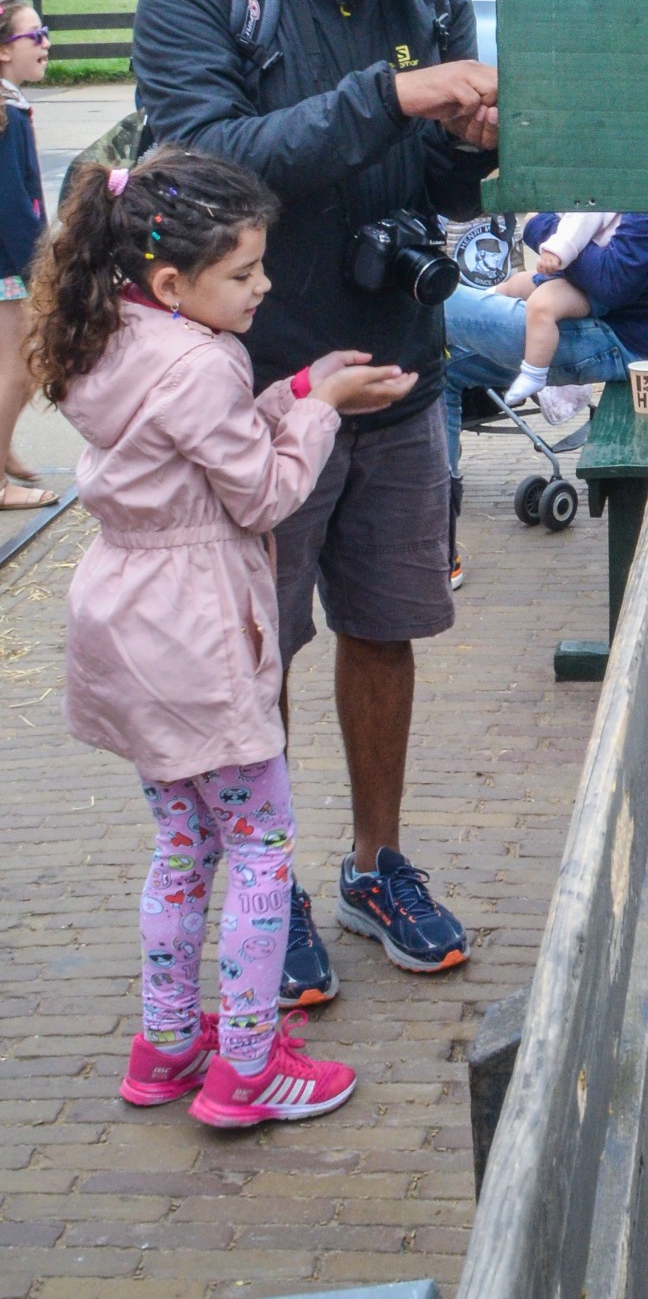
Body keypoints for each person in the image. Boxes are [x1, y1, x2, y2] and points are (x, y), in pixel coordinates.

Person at [132, 0, 497, 1004]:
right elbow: (207, 165)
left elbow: (442, 185)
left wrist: (469, 146)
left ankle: (374, 858)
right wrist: (398, 96)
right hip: (257, 398)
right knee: (256, 651)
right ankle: (264, 880)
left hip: (398, 377)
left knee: (386, 629)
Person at [28, 148, 415, 1125]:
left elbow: (201, 445)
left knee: (182, 838)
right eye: (244, 271)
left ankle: (165, 1043)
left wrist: (292, 391)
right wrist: (320, 411)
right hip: (195, 627)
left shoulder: (108, 336)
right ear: (172, 281)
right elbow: (263, 491)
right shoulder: (203, 360)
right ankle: (247, 1059)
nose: (264, 284)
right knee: (260, 845)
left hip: (126, 622)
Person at [443, 207, 648, 482]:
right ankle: (440, 492)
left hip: (624, 340)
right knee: (437, 362)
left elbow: (611, 281)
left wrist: (538, 225)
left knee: (436, 303)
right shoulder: (630, 183)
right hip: (607, 314)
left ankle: (534, 373)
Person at [0, 0, 55, 508]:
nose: (45, 44)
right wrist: (39, 269)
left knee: (18, 363)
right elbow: (15, 205)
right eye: (33, 36)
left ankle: (4, 452)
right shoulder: (7, 115)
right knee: (19, 366)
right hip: (8, 264)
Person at [496, 210, 620, 406]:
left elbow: (582, 218)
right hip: (573, 268)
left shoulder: (600, 191)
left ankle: (534, 373)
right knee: (515, 284)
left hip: (589, 284)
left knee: (542, 306)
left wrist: (555, 250)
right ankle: (485, 299)